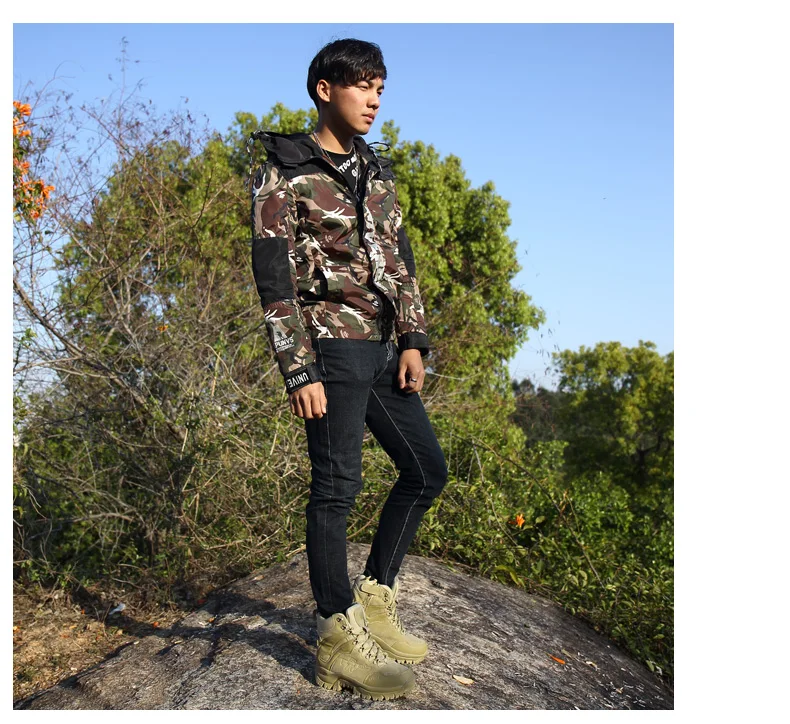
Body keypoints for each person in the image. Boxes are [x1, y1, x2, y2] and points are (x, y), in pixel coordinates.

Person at [250, 38, 448, 700]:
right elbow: (274, 280)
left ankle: (376, 599)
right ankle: (335, 637)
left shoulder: (376, 170)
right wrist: (297, 369)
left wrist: (413, 337)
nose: (374, 100)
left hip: (384, 347)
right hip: (331, 349)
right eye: (362, 85)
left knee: (425, 470)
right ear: (325, 89)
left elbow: (400, 259)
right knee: (336, 486)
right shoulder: (283, 171)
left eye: (380, 88)